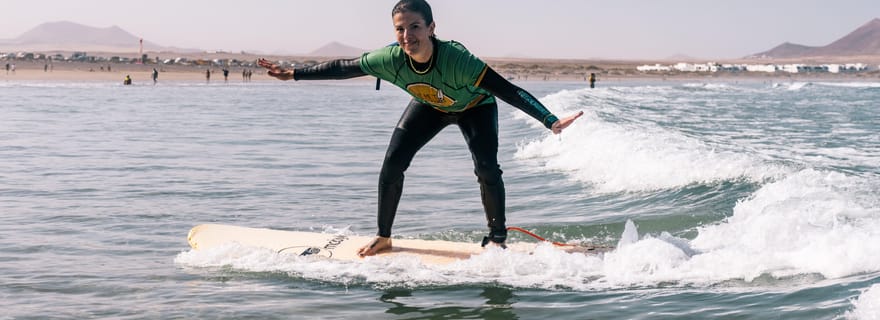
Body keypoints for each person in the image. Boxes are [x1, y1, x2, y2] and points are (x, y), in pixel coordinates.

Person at [258, 0, 582, 257]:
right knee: (392, 166)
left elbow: (508, 90)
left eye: (414, 27)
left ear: (430, 28)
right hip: (429, 106)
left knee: (487, 169)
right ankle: (383, 237)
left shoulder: (458, 60)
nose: (407, 36)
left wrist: (550, 120)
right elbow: (343, 68)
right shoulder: (390, 58)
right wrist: (294, 74)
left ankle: (497, 239)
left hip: (475, 108)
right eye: (400, 29)